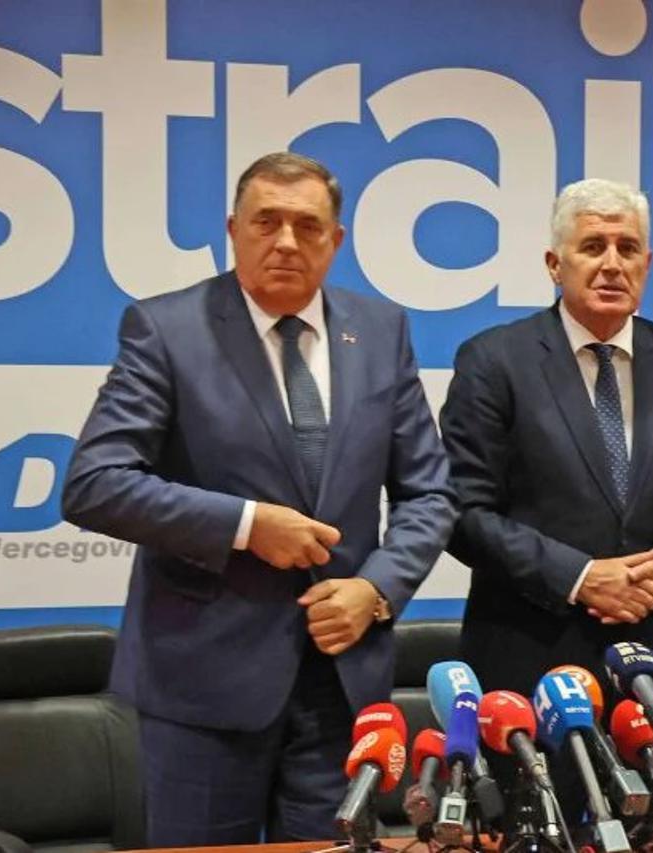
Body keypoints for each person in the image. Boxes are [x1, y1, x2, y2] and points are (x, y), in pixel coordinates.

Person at [62, 152, 457, 844]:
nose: (286, 242)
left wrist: (376, 589)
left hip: (341, 681)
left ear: (335, 240)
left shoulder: (381, 330)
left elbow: (428, 491)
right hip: (202, 686)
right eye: (266, 222)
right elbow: (95, 483)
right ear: (232, 230)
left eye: (307, 226)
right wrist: (245, 525)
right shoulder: (167, 329)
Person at [440, 178, 653, 794]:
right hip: (529, 660)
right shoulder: (495, 360)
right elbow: (462, 510)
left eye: (628, 248)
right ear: (554, 263)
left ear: (648, 264)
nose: (612, 263)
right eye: (593, 246)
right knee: (537, 830)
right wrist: (580, 577)